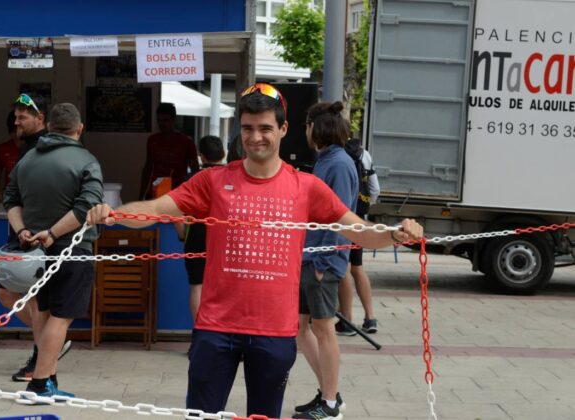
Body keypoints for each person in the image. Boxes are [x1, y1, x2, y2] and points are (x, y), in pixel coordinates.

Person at [86, 83, 423, 418]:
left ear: (283, 129)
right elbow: (157, 209)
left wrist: (396, 234)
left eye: (265, 128)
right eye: (247, 128)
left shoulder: (306, 187)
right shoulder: (213, 180)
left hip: (274, 331)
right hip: (216, 328)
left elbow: (359, 231)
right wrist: (114, 214)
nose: (255, 137)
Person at [3, 103, 103, 398]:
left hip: (34, 251)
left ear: (48, 127)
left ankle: (48, 379)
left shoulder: (27, 159)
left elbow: (10, 199)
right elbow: (86, 208)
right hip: (72, 248)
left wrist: (22, 230)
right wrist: (53, 233)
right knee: (61, 317)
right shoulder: (87, 160)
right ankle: (40, 384)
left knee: (42, 312)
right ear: (79, 128)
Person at [294, 101, 358, 420]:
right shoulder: (327, 161)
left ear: (315, 128)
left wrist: (322, 264)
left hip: (323, 262)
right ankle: (329, 393)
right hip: (312, 259)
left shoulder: (339, 164)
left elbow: (339, 219)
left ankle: (330, 404)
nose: (305, 131)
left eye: (307, 125)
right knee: (301, 328)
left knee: (323, 329)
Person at [173, 135, 225, 323]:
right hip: (224, 236)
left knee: (197, 286)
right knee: (225, 286)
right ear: (223, 154)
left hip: (196, 234)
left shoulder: (191, 178)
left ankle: (199, 332)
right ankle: (221, 332)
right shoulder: (233, 177)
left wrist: (182, 235)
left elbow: (175, 210)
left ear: (201, 156)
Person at [336, 139, 381, 337]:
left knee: (344, 268)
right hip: (359, 217)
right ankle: (370, 318)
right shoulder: (364, 154)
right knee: (357, 267)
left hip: (343, 217)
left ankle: (346, 320)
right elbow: (375, 189)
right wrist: (364, 207)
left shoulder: (337, 156)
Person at [139, 102, 199, 198]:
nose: (161, 124)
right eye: (159, 120)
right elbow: (148, 168)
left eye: (165, 120)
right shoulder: (152, 140)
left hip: (176, 194)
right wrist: (141, 194)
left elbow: (195, 172)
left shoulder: (186, 142)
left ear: (174, 120)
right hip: (155, 191)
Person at [0, 111, 22, 202]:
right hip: (10, 197)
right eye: (14, 132)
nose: (17, 136)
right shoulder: (3, 149)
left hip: (31, 196)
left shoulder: (34, 147)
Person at [13, 93, 46, 159]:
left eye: (21, 117)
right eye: (16, 117)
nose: (16, 122)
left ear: (40, 119)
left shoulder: (47, 147)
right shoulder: (26, 146)